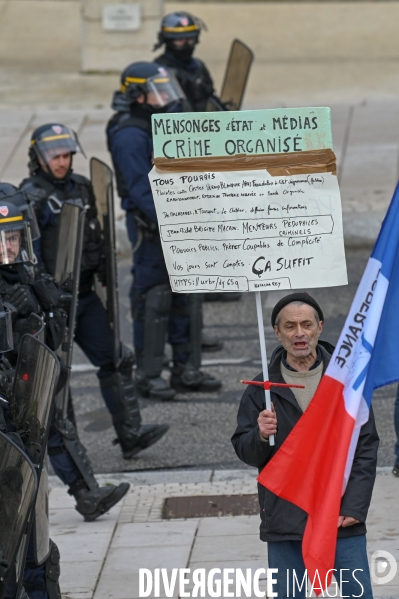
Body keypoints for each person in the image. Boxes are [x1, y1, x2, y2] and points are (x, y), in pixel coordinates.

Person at [19, 125, 169, 459]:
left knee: (115, 359)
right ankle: (73, 453)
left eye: (66, 155)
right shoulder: (32, 196)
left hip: (84, 296)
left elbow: (96, 234)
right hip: (52, 304)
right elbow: (32, 254)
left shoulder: (81, 186)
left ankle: (130, 434)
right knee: (56, 381)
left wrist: (103, 269)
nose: (62, 161)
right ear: (39, 158)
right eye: (55, 156)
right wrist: (45, 299)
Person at [232, 292, 378, 599]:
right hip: (286, 515)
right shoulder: (262, 390)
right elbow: (246, 451)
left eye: (306, 324)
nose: (299, 333)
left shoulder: (346, 383)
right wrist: (260, 434)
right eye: (290, 326)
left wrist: (354, 507)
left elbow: (365, 447)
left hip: (339, 513)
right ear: (277, 332)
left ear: (320, 327)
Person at [0, 192, 130, 525]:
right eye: (2, 239)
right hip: (6, 382)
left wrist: (48, 309)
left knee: (55, 428)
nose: (9, 246)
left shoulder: (25, 275)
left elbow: (55, 335)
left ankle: (86, 494)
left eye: (13, 238)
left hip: (30, 374)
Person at [106, 61, 222, 401]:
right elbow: (142, 191)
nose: (165, 97)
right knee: (155, 297)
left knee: (189, 292)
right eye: (156, 92)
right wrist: (174, 219)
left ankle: (188, 369)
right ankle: (149, 374)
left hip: (181, 219)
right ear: (138, 95)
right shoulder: (129, 133)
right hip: (152, 226)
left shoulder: (166, 121)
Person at [153, 11, 223, 113]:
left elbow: (211, 98)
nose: (187, 45)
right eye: (180, 40)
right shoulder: (160, 71)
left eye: (190, 39)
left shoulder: (198, 66)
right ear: (167, 41)